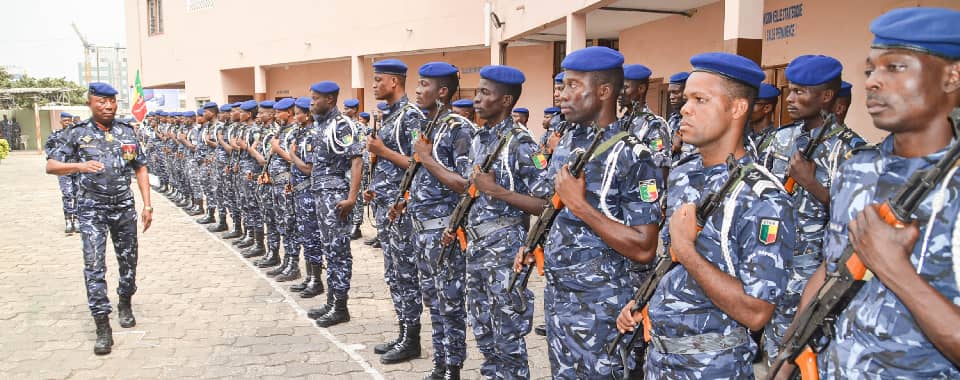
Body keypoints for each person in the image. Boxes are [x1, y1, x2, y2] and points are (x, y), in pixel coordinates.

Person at [772, 7, 960, 379]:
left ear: (952, 77)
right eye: (871, 70)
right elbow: (831, 268)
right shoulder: (859, 169)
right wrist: (787, 356)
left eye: (895, 68)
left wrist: (895, 269)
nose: (873, 82)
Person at [617, 52, 795, 378]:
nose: (685, 108)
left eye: (701, 99)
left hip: (714, 366)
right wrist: (645, 300)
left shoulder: (762, 197)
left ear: (738, 108)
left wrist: (686, 250)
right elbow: (674, 265)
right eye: (687, 99)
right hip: (661, 358)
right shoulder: (685, 171)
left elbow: (757, 312)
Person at [519, 46, 661, 378]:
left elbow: (644, 247)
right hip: (559, 298)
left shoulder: (633, 155)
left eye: (572, 86)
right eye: (562, 85)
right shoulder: (569, 142)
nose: (561, 94)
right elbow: (556, 211)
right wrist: (533, 244)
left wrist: (581, 205)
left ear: (604, 91)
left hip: (603, 308)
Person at [757, 54, 866, 364]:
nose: (790, 99)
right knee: (775, 347)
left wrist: (811, 183)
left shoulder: (852, 150)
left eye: (800, 92)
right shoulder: (780, 140)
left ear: (827, 96)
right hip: (775, 259)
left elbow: (857, 219)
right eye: (790, 91)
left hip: (816, 269)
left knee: (809, 350)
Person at [442, 64, 544, 379]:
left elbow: (545, 204)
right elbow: (472, 191)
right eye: (477, 91)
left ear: (505, 101)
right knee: (484, 332)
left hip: (506, 253)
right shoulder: (479, 138)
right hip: (476, 249)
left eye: (485, 93)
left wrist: (497, 191)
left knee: (507, 337)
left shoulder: (522, 143)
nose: (477, 99)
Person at [45, 82, 153, 355]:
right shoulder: (76, 134)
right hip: (92, 210)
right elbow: (52, 165)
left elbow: (140, 168)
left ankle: (125, 301)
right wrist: (79, 166)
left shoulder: (126, 132)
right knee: (94, 265)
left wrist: (147, 205)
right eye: (101, 102)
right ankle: (102, 325)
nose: (107, 106)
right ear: (90, 103)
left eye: (112, 102)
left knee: (129, 259)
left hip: (124, 208)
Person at [391, 62, 473, 372]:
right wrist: (405, 199)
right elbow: (420, 173)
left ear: (442, 92)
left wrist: (426, 158)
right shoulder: (427, 126)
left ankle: (453, 368)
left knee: (450, 305)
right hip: (420, 230)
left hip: (445, 234)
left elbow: (467, 184)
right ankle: (440, 365)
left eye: (424, 85)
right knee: (434, 303)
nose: (417, 89)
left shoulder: (459, 128)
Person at [363, 59, 426, 359]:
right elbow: (388, 165)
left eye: (378, 80)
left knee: (405, 274)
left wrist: (382, 151)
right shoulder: (388, 117)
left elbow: (420, 163)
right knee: (393, 272)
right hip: (387, 207)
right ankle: (403, 332)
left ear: (394, 82)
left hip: (403, 210)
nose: (374, 85)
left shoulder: (411, 117)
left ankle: (412, 340)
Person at [303, 81, 362, 327]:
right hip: (320, 193)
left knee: (338, 251)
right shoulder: (321, 125)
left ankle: (340, 306)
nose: (311, 102)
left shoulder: (341, 125)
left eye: (316, 98)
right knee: (329, 248)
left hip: (335, 195)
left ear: (330, 100)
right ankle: (331, 301)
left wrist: (351, 197)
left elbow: (357, 159)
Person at [47, 112, 79, 234]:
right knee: (67, 194)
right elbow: (48, 148)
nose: (67, 123)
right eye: (65, 121)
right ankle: (68, 220)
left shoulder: (76, 134)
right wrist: (55, 158)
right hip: (62, 169)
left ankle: (76, 220)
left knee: (77, 194)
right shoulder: (55, 135)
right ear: (61, 122)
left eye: (69, 120)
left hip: (75, 168)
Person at [746, 83, 780, 153]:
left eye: (751, 104)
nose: (746, 108)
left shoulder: (777, 139)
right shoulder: (742, 135)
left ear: (767, 108)